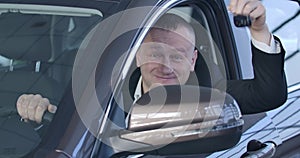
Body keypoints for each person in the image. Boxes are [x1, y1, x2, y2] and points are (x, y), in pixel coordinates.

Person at [16, 0, 287, 124]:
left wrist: (259, 30)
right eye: (156, 53)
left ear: (193, 60)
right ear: (137, 56)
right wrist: (37, 112)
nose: (166, 65)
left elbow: (269, 94)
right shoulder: (101, 95)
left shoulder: (213, 95)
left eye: (178, 55)